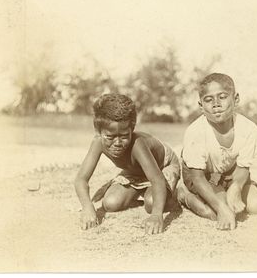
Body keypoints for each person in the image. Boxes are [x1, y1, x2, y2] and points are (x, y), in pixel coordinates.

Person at [74, 93, 180, 234]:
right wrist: (87, 207)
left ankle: (178, 192)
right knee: (110, 203)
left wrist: (156, 215)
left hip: (162, 166)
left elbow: (157, 179)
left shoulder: (138, 144)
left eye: (124, 136)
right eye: (110, 137)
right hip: (135, 172)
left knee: (152, 203)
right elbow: (81, 179)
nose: (117, 143)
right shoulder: (98, 143)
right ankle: (142, 190)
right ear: (98, 131)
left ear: (132, 128)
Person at [177, 73, 257, 230]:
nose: (216, 104)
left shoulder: (248, 128)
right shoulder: (195, 132)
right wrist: (221, 207)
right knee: (221, 212)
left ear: (236, 99)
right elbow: (198, 178)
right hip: (202, 176)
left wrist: (236, 188)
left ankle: (225, 193)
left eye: (222, 97)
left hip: (230, 174)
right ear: (201, 106)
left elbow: (243, 168)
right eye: (208, 99)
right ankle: (185, 194)